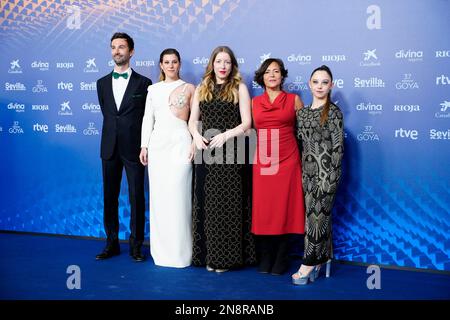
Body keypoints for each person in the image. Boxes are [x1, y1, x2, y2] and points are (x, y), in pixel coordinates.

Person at [188, 46, 256, 272]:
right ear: (212, 64)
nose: (223, 66)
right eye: (219, 62)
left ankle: (226, 259)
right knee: (208, 205)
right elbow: (192, 120)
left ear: (232, 65)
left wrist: (226, 135)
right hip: (206, 152)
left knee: (228, 206)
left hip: (232, 154)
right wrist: (196, 135)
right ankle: (209, 256)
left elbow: (247, 123)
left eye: (227, 62)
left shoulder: (240, 88)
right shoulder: (201, 88)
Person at [95, 32, 152, 262]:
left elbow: (147, 117)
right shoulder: (101, 83)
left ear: (131, 52)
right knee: (110, 196)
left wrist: (143, 144)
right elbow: (108, 114)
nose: (117, 51)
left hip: (134, 149)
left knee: (137, 196)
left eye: (121, 47)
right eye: (113, 47)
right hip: (109, 148)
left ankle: (136, 245)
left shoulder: (144, 83)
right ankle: (111, 244)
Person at [139, 48, 195, 268]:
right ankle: (161, 252)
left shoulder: (190, 88)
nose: (171, 65)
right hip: (158, 146)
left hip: (181, 143)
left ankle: (183, 253)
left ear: (179, 64)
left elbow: (196, 118)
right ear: (161, 65)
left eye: (174, 62)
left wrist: (193, 142)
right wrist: (144, 146)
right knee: (160, 199)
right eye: (166, 62)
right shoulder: (152, 89)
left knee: (180, 198)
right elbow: (147, 119)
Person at [251, 58, 305, 275]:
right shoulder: (254, 103)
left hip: (288, 159)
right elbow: (253, 130)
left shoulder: (294, 100)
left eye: (276, 71)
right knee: (264, 209)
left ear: (282, 76)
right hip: (263, 160)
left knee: (285, 208)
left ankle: (282, 257)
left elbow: (304, 132)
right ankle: (265, 256)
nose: (272, 75)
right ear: (261, 77)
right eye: (267, 72)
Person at [292, 65, 344, 285]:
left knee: (316, 218)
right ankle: (323, 259)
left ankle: (308, 264)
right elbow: (300, 144)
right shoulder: (301, 114)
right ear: (309, 84)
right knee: (313, 219)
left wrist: (331, 179)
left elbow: (338, 148)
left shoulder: (333, 112)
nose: (320, 86)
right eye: (316, 82)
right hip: (307, 175)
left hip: (327, 176)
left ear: (331, 85)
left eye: (325, 82)